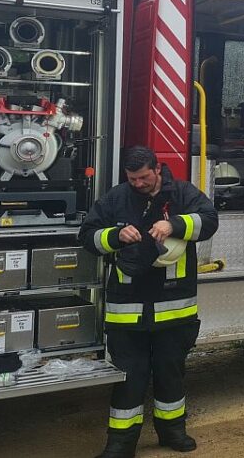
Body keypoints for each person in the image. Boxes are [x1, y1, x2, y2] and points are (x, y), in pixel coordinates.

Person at [80, 146, 219, 458]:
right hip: (127, 311)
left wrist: (175, 224)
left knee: (171, 373)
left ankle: (173, 432)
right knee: (129, 377)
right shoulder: (117, 197)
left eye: (144, 177)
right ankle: (120, 444)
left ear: (158, 169)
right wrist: (115, 236)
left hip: (174, 308)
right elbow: (87, 235)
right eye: (133, 179)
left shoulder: (182, 194)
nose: (138, 184)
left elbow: (210, 220)